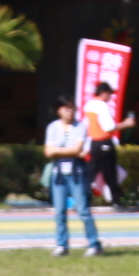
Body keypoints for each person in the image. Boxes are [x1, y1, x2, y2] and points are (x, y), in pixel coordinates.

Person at [42, 96, 101, 258]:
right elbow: (48, 152)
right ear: (59, 110)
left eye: (73, 108)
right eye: (67, 108)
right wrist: (71, 151)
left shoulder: (80, 126)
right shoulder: (52, 127)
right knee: (59, 211)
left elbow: (77, 149)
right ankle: (62, 245)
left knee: (83, 210)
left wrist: (57, 150)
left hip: (77, 172)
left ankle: (94, 244)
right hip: (59, 174)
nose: (71, 111)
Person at [82, 79, 131, 208]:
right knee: (110, 173)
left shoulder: (89, 105)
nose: (110, 97)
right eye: (110, 94)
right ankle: (116, 199)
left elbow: (86, 124)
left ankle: (83, 198)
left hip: (94, 143)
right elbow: (109, 127)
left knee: (90, 172)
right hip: (105, 142)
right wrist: (126, 124)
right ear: (103, 93)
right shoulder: (102, 106)